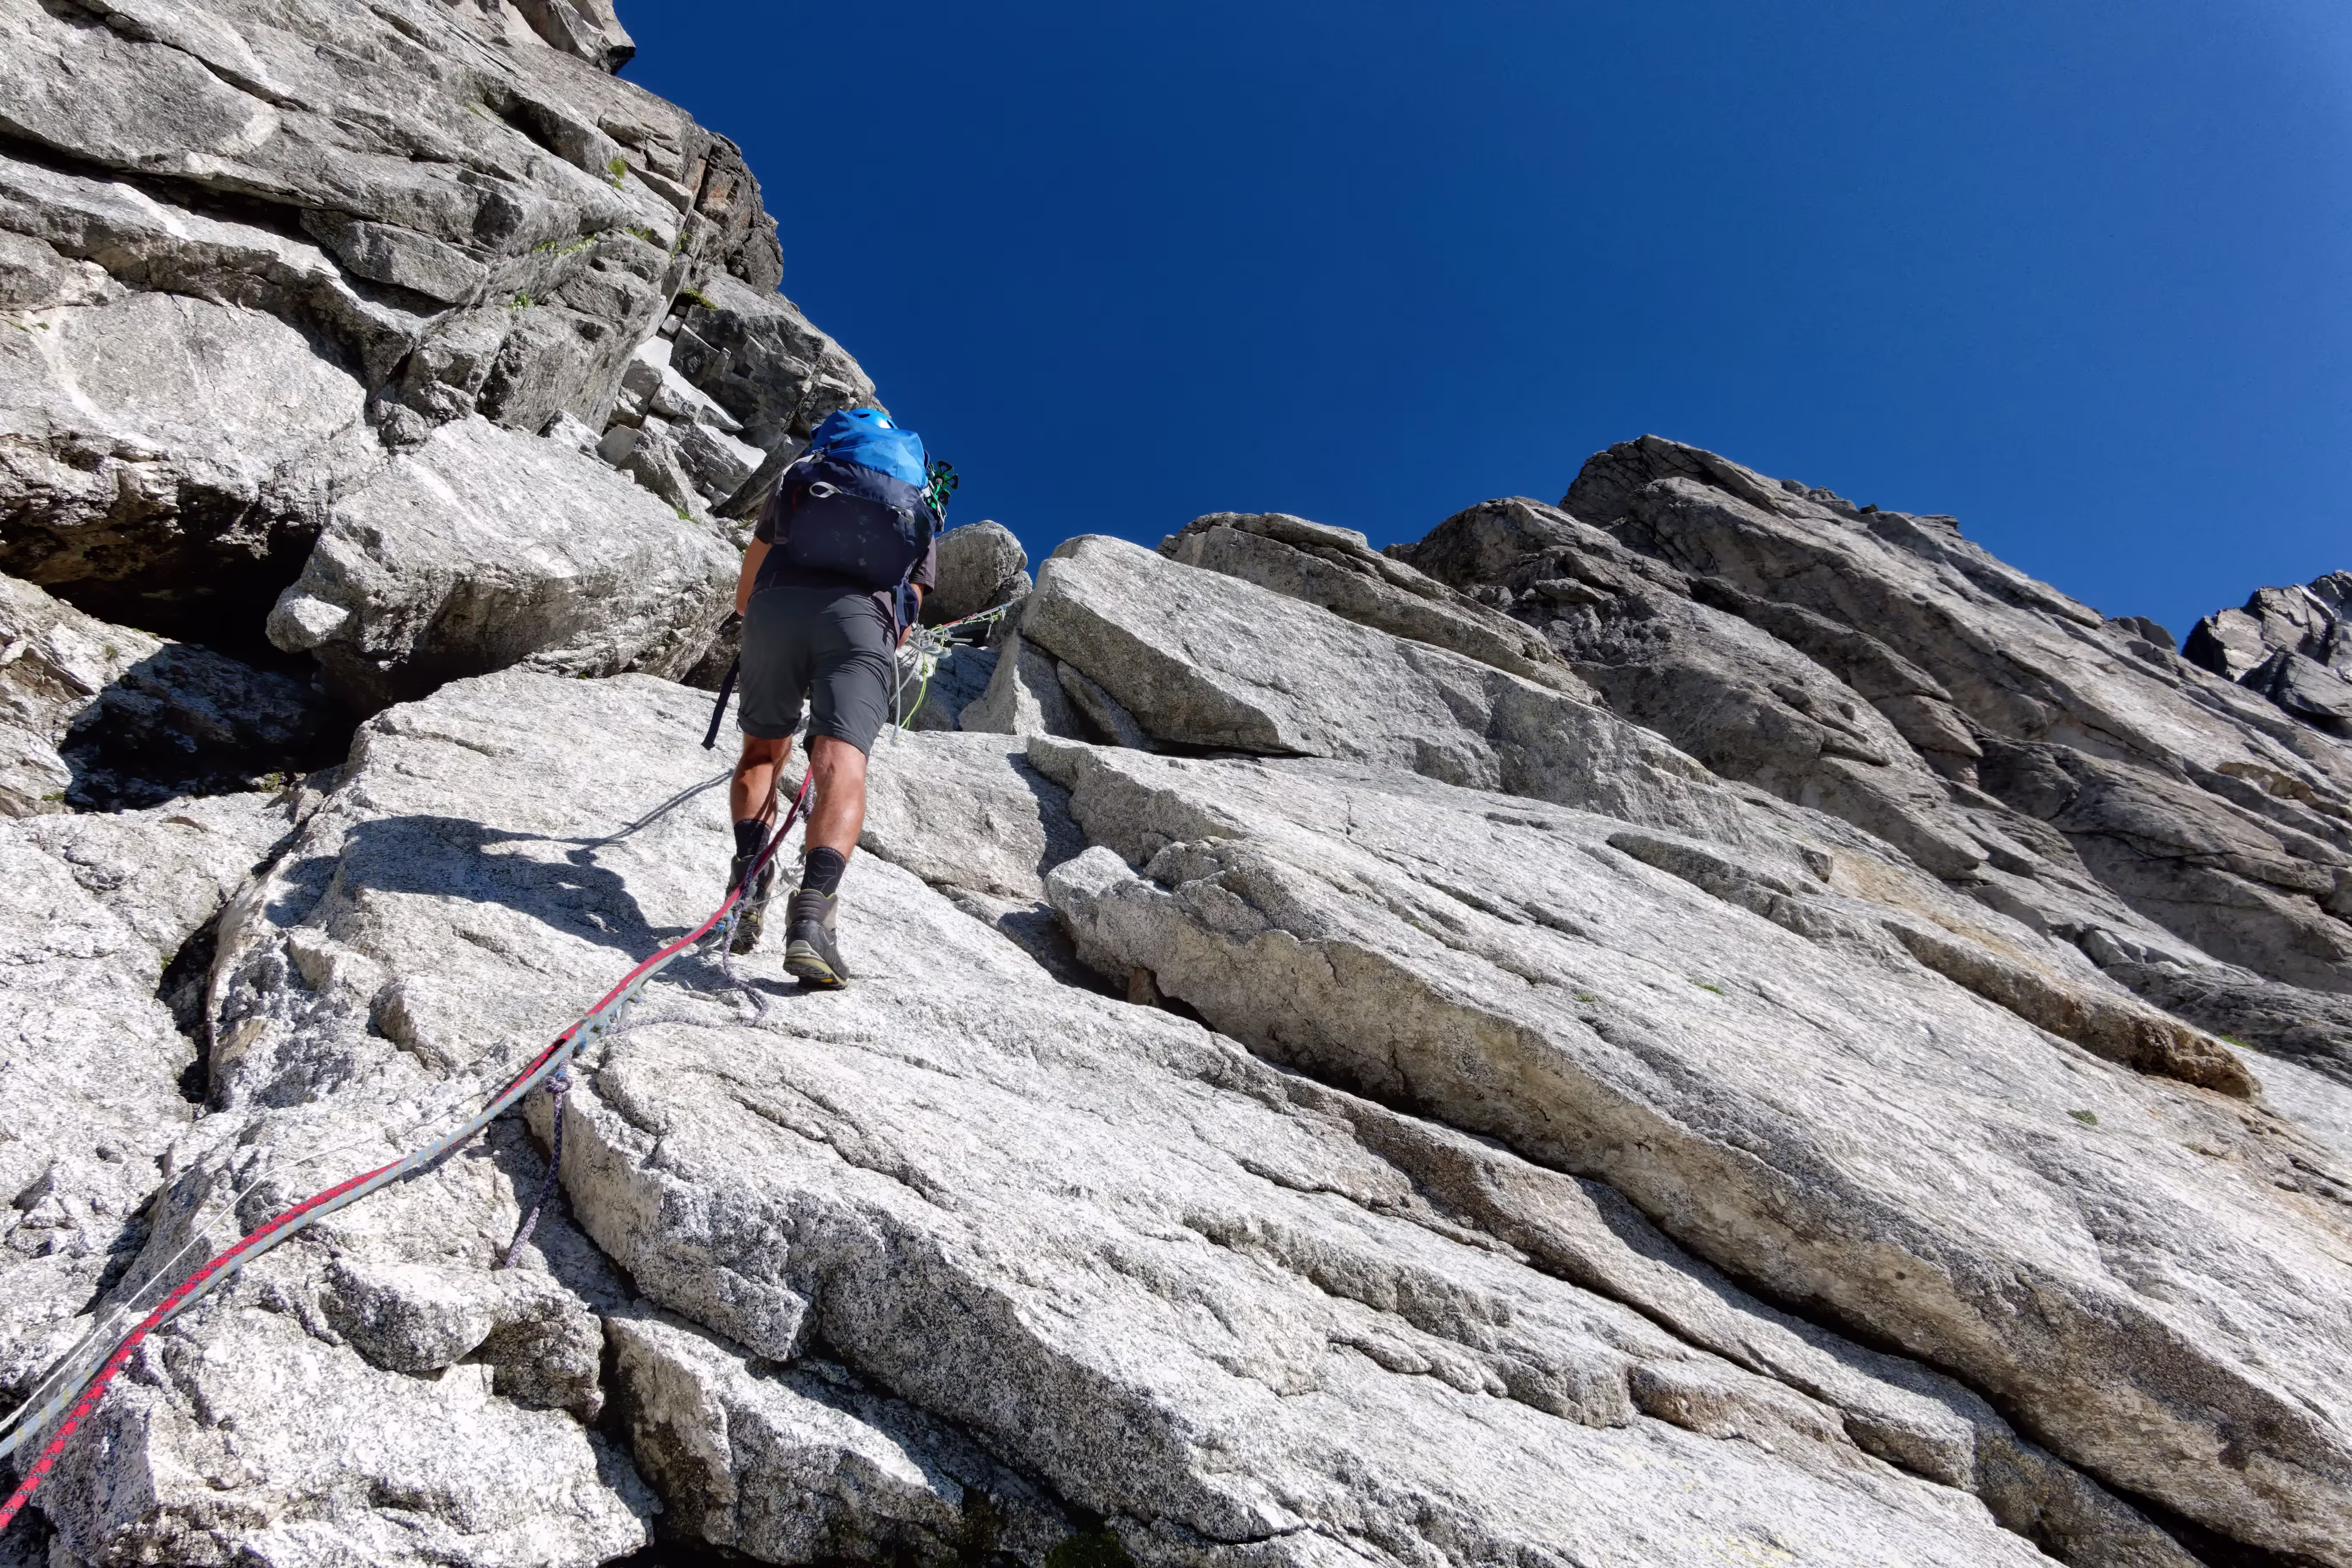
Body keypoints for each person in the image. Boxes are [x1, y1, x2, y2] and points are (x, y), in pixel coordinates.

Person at [726, 416, 939, 986]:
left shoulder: (806, 479)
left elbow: (747, 591)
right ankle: (813, 921)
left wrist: (769, 620)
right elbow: (906, 611)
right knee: (842, 763)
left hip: (777, 607)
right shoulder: (913, 509)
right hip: (861, 622)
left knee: (762, 755)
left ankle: (746, 888)